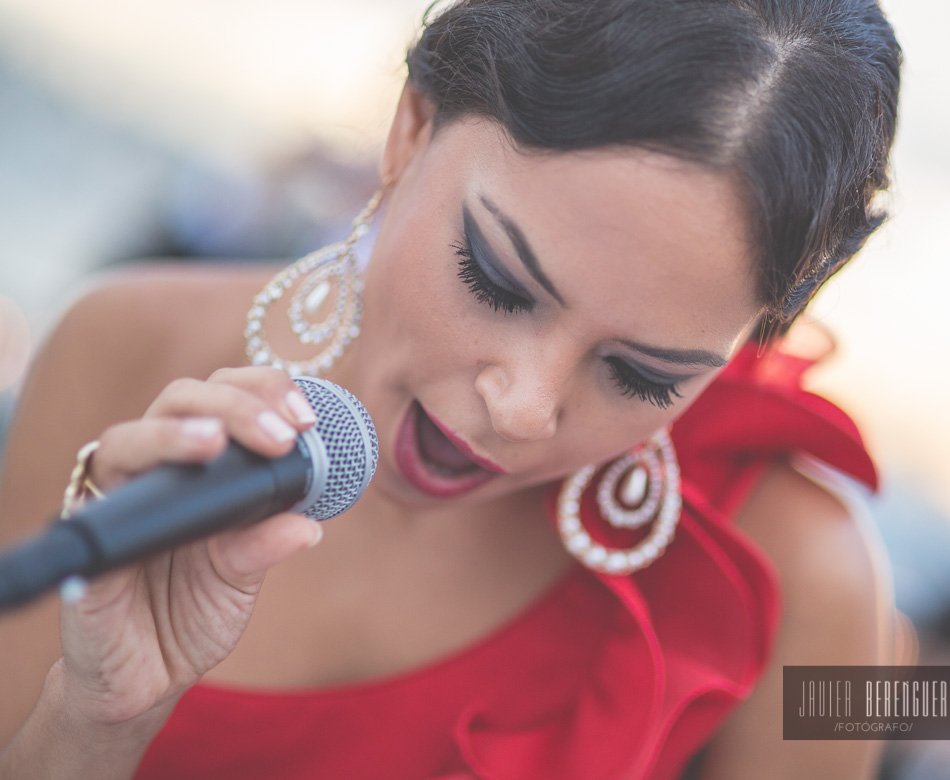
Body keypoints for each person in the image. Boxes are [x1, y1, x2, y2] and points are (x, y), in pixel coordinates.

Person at [0, 0, 901, 777]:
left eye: (643, 373)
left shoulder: (823, 584)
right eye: (496, 279)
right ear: (412, 129)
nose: (522, 407)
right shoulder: (115, 346)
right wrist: (97, 721)